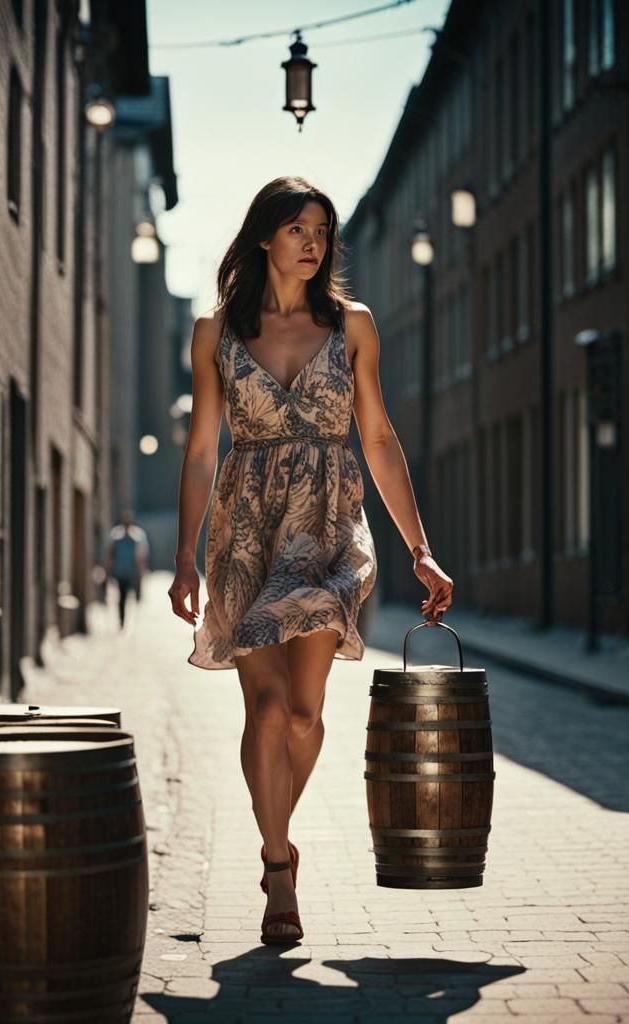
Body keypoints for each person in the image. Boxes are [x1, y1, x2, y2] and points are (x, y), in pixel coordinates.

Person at [167, 177, 453, 945]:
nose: (311, 241)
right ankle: (277, 868)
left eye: (321, 229)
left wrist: (420, 551)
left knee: (303, 714)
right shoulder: (214, 333)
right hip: (245, 536)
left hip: (327, 536)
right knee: (263, 710)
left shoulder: (353, 326)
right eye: (296, 227)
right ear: (265, 236)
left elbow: (380, 439)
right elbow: (200, 452)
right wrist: (185, 557)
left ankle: (275, 831)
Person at [105, 509, 149, 629]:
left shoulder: (137, 538)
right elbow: (110, 554)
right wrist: (108, 570)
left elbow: (140, 557)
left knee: (131, 596)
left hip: (131, 572)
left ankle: (126, 619)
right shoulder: (116, 537)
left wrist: (141, 571)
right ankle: (122, 620)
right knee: (122, 596)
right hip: (120, 572)